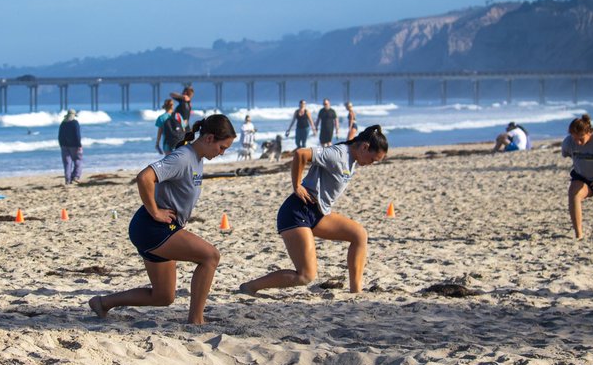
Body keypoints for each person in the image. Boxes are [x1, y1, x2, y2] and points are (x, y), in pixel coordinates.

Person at [88, 115, 237, 326]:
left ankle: (102, 303)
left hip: (158, 228)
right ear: (210, 138)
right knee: (210, 256)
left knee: (163, 297)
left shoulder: (197, 158)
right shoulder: (183, 157)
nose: (222, 153)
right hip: (152, 227)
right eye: (222, 147)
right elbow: (144, 177)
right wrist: (156, 212)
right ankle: (196, 320)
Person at [239, 125, 388, 296]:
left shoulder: (352, 158)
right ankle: (250, 287)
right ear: (365, 147)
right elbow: (301, 153)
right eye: (373, 160)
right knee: (306, 276)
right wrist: (296, 185)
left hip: (317, 213)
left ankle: (356, 292)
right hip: (297, 212)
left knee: (359, 235)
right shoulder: (338, 154)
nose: (371, 164)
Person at [57, 109, 83, 185]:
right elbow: (77, 135)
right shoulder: (75, 123)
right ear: (74, 115)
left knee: (67, 163)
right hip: (74, 145)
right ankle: (76, 176)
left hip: (64, 146)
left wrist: (61, 145)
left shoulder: (63, 123)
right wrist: (79, 145)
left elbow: (59, 136)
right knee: (78, 160)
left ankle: (67, 180)